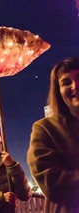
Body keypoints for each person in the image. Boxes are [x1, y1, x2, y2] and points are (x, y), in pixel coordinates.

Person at [27, 56, 79, 213]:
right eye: (66, 82)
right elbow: (51, 183)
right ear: (58, 91)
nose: (75, 85)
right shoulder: (45, 129)